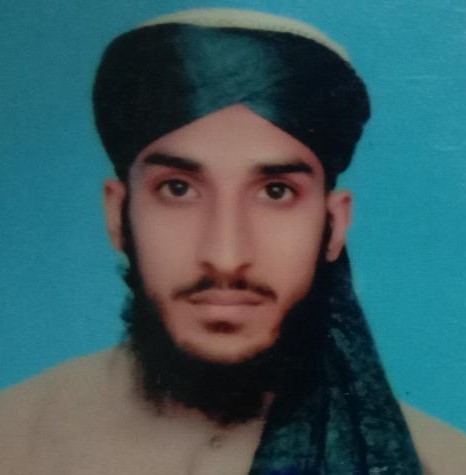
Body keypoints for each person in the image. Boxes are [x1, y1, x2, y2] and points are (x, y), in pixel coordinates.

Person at [0, 8, 464, 475]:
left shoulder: (442, 462)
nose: (225, 257)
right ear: (118, 215)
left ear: (334, 225)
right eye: (178, 189)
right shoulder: (15, 440)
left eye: (276, 192)